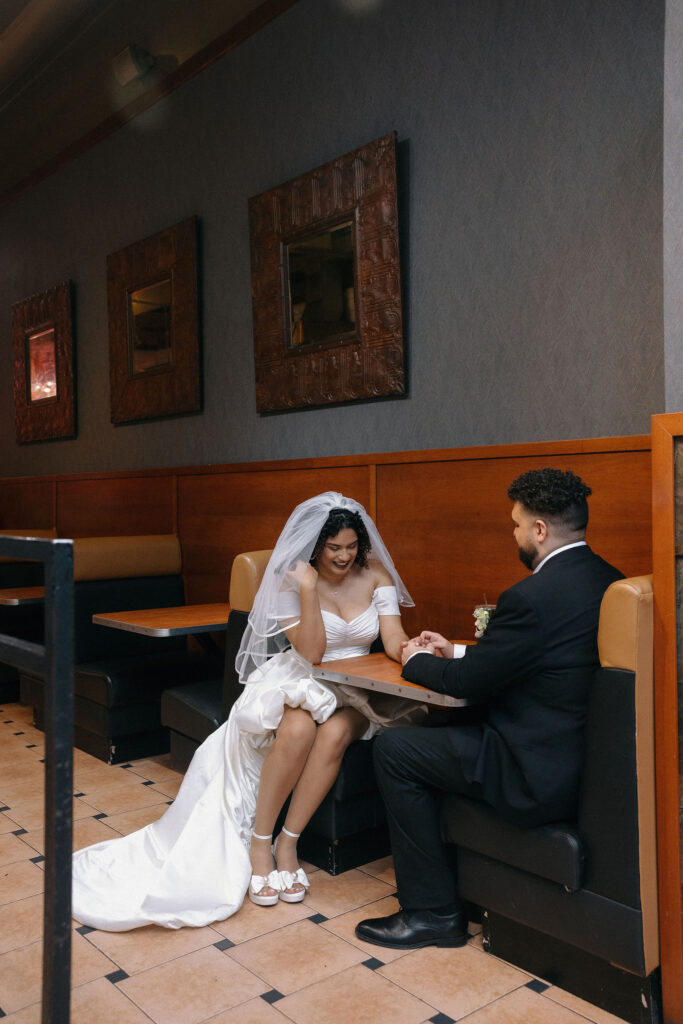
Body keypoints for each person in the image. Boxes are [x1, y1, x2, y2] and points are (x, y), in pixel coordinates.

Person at [72, 492, 420, 930]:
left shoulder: (376, 576)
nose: (344, 556)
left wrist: (413, 650)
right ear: (315, 546)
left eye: (351, 547)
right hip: (303, 678)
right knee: (296, 729)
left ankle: (288, 844)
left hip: (355, 688)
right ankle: (261, 843)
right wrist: (309, 588)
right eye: (334, 548)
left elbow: (391, 637)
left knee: (333, 734)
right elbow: (312, 652)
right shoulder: (288, 582)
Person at [355, 467, 623, 950]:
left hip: (530, 773)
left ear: (539, 531)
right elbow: (532, 659)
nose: (515, 534)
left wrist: (413, 656)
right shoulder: (608, 581)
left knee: (395, 750)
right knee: (441, 723)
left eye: (517, 525)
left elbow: (465, 684)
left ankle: (433, 913)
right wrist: (454, 650)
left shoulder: (532, 597)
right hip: (575, 762)